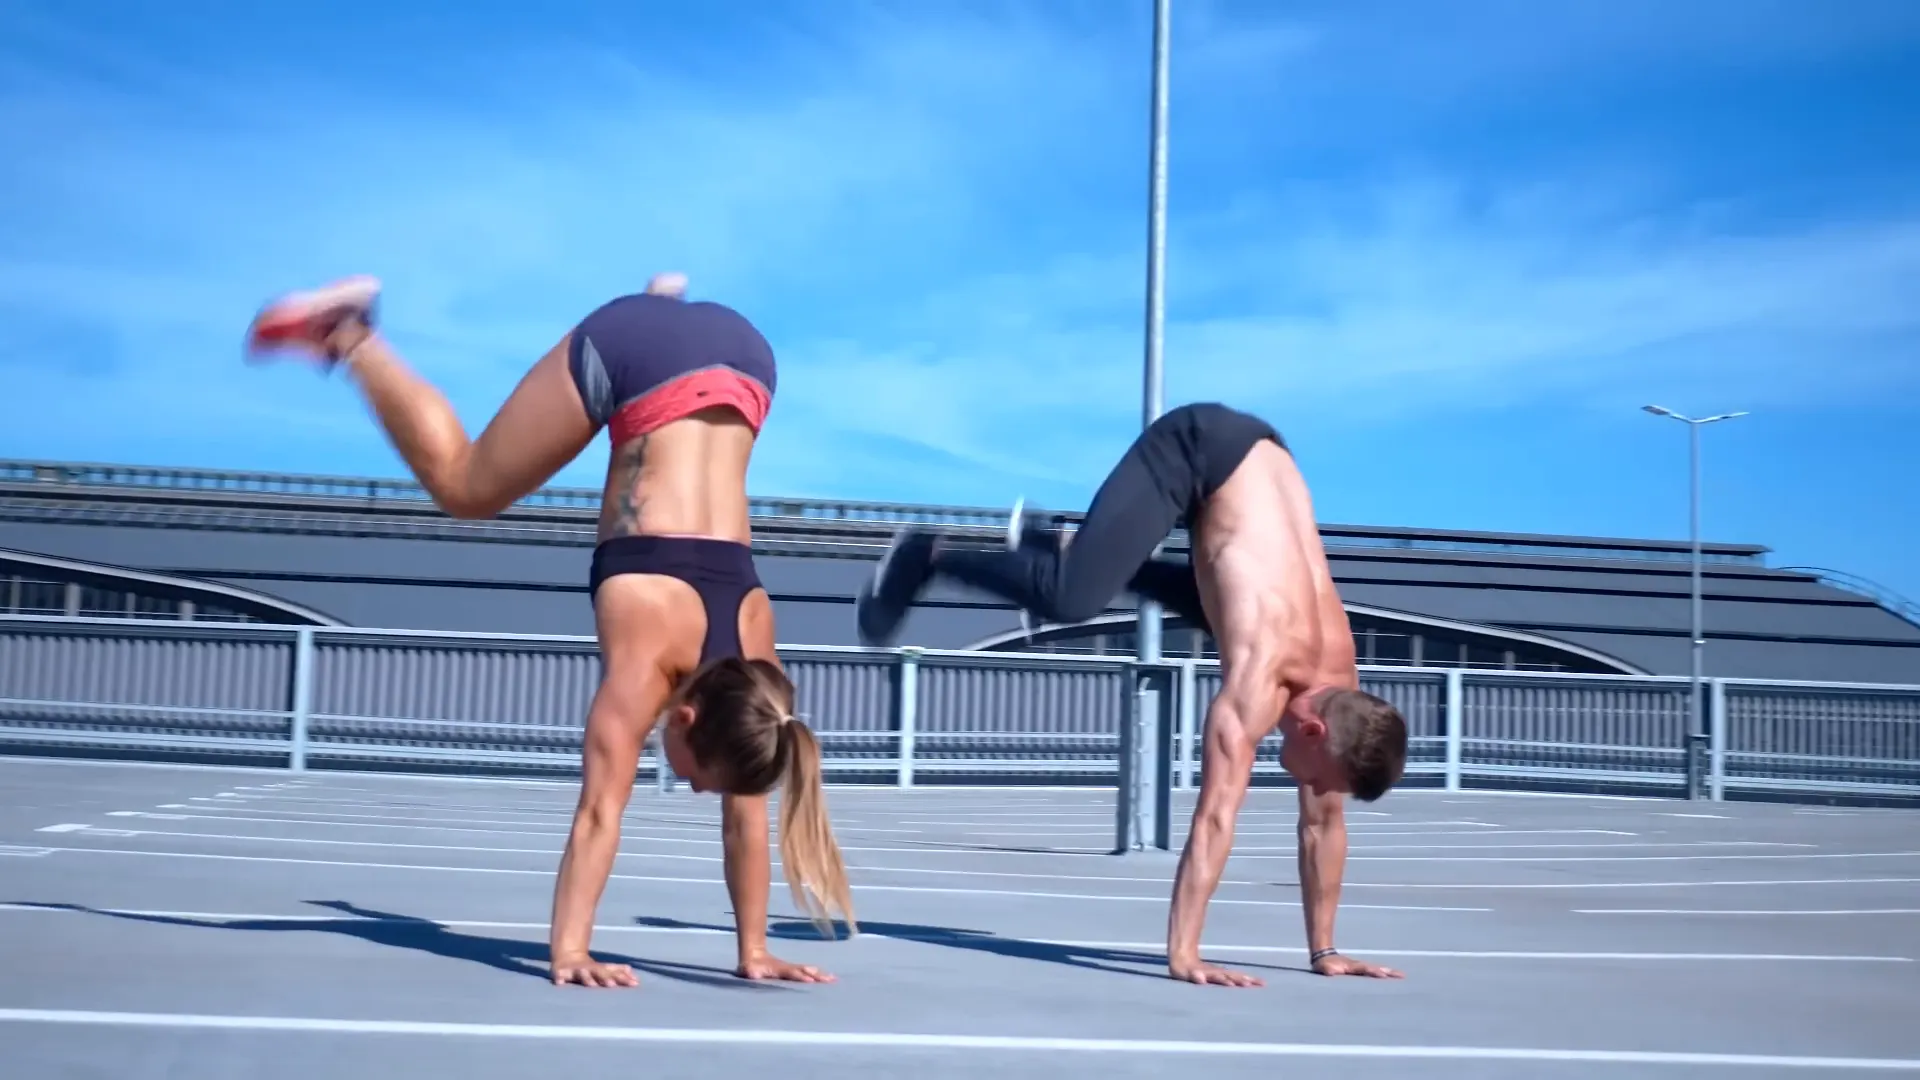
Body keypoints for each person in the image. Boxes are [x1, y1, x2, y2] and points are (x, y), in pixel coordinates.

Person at [244, 272, 857, 988]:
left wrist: (753, 953)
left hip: (744, 358)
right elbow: (600, 814)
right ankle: (348, 332)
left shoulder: (757, 685)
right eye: (696, 777)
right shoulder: (646, 666)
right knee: (466, 485)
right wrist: (569, 951)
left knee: (652, 433)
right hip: (638, 357)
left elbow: (746, 816)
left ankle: (663, 303)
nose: (694, 791)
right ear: (684, 716)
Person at [854, 401, 1408, 986]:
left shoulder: (1340, 689)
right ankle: (932, 554)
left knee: (1213, 602)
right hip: (1199, 447)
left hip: (1265, 467)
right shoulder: (1259, 679)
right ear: (1315, 729)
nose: (1317, 791)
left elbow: (1324, 827)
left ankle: (1062, 549)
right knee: (1072, 601)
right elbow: (1215, 819)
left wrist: (1326, 952)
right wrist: (1184, 953)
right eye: (1322, 779)